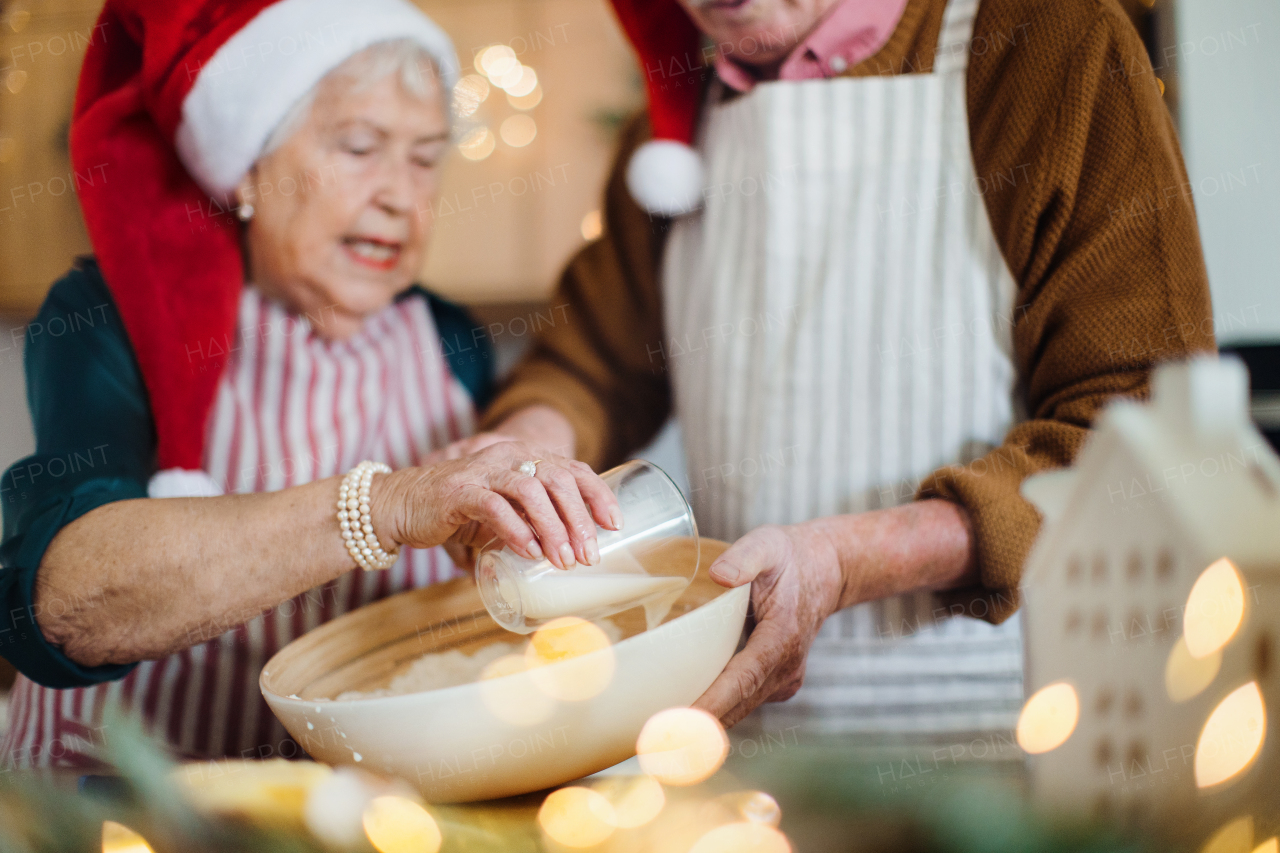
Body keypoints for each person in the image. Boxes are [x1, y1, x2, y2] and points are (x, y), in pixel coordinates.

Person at [471, 0, 1217, 748]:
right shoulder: (673, 126)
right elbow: (593, 365)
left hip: (1017, 732)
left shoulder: (1046, 46)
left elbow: (1145, 432)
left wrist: (848, 558)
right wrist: (520, 450)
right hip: (749, 746)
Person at [0, 0, 617, 768]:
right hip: (129, 799)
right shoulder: (114, 316)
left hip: (354, 809)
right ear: (249, 166)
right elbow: (62, 606)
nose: (400, 194)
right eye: (359, 147)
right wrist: (388, 505)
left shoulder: (449, 338)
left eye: (426, 157)